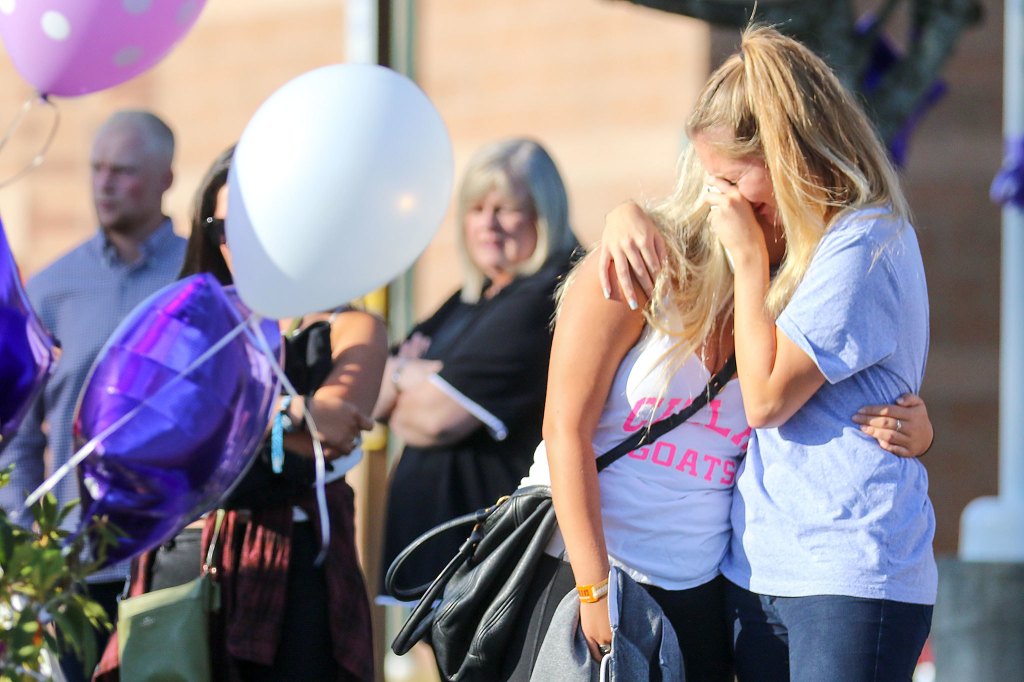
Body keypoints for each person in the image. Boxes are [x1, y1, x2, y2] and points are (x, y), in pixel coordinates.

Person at [598, 25, 935, 681]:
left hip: (847, 573)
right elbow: (685, 233)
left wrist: (750, 263)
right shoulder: (795, 242)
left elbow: (768, 397)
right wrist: (625, 214)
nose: (718, 199)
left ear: (785, 155)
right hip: (757, 570)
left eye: (729, 179)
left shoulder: (863, 242)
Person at [93, 146, 386, 682]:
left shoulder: (350, 326)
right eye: (220, 226)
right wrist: (292, 413)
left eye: (251, 226)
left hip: (295, 561)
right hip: (186, 556)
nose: (234, 243)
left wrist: (219, 415)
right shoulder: (190, 322)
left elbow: (337, 430)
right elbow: (151, 433)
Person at [0, 110, 184, 681]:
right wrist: (34, 545)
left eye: (123, 170)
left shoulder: (199, 276)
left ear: (165, 180)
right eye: (96, 168)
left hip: (179, 561)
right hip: (81, 571)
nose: (104, 183)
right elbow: (18, 437)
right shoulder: (53, 288)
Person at [377, 138, 580, 596]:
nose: (488, 225)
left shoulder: (543, 298)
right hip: (440, 557)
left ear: (543, 214)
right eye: (476, 209)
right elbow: (371, 391)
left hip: (487, 565)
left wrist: (402, 376)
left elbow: (434, 419)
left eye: (506, 208)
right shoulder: (471, 299)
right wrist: (402, 376)